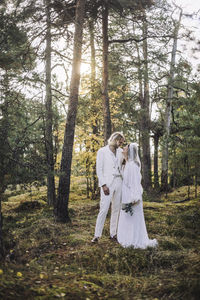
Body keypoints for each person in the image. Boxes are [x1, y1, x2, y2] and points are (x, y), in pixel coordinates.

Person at [117, 143, 158, 249]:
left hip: (132, 197)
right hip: (126, 195)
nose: (123, 148)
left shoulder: (133, 166)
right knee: (127, 218)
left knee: (133, 218)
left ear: (130, 151)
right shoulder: (127, 164)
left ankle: (134, 239)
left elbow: (135, 184)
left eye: (125, 147)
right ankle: (127, 237)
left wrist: (134, 199)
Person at [91, 132, 125, 243]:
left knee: (116, 209)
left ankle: (113, 234)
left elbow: (124, 166)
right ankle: (97, 235)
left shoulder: (120, 152)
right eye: (120, 141)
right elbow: (99, 170)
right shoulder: (102, 151)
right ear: (115, 139)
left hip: (119, 181)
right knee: (104, 209)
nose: (121, 144)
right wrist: (103, 185)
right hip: (107, 184)